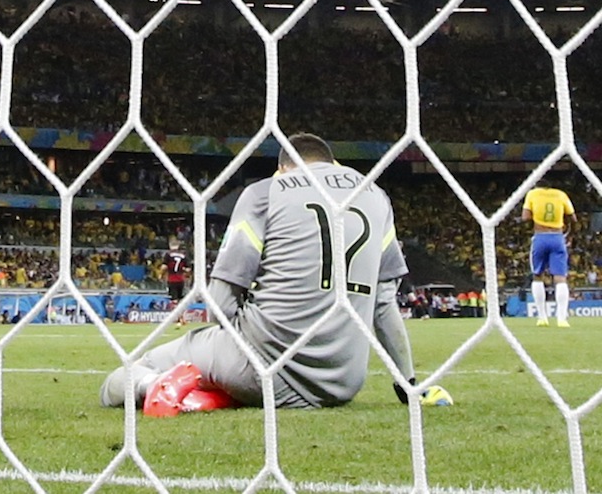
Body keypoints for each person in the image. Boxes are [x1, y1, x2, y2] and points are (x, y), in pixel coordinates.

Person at [100, 133, 416, 415]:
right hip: (343, 383)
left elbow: (221, 302)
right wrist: (407, 382)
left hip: (262, 368)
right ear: (333, 163)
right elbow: (384, 304)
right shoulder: (376, 196)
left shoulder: (267, 191)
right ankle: (216, 390)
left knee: (123, 376)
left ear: (283, 168)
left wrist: (239, 350)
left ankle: (156, 384)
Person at [522, 178, 577, 328]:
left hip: (540, 237)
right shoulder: (560, 194)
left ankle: (542, 317)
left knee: (537, 276)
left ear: (537, 185)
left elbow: (525, 217)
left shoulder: (532, 194)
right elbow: (573, 217)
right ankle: (562, 319)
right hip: (558, 237)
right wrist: (569, 234)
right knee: (560, 278)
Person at [162, 237, 189, 326]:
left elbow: (164, 267)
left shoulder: (168, 255)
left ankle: (178, 318)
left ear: (170, 246)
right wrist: (183, 271)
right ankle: (183, 318)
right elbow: (188, 269)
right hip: (181, 279)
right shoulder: (183, 255)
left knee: (174, 300)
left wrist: (161, 275)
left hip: (172, 279)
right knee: (180, 300)